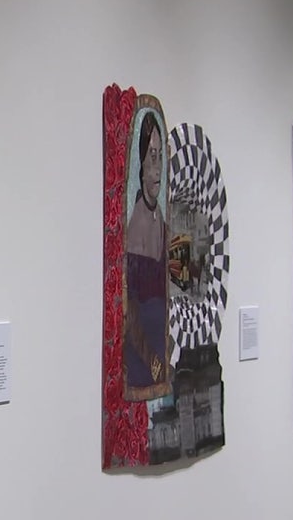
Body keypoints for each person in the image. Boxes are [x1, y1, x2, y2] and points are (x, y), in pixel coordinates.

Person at [123, 111, 170, 401]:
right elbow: (131, 311)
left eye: (160, 157)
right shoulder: (136, 226)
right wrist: (153, 362)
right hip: (142, 365)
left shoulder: (161, 222)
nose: (157, 169)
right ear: (140, 165)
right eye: (151, 157)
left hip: (158, 364)